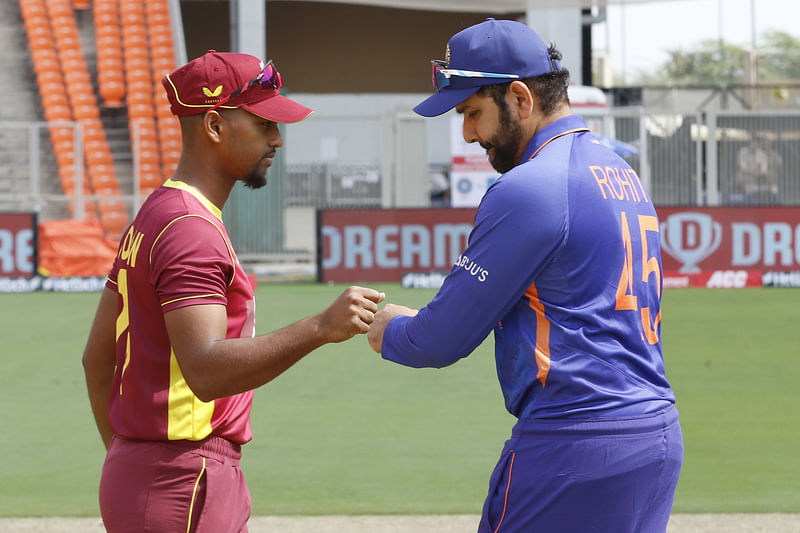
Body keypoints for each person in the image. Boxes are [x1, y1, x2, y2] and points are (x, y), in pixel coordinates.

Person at [368, 19, 683, 533]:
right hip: (654, 436)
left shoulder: (531, 186)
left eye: (473, 111)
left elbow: (439, 340)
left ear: (519, 97)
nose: (469, 133)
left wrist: (391, 330)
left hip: (574, 448)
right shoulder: (618, 171)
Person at [82, 50, 385, 533]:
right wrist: (320, 327)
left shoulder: (158, 212)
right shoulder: (190, 228)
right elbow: (203, 369)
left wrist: (129, 459)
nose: (277, 139)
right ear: (215, 125)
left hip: (154, 474)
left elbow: (96, 361)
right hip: (184, 477)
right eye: (264, 123)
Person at [735, 136, 782, 205]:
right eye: (753, 142)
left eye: (757, 143)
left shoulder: (762, 154)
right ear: (750, 143)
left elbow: (764, 171)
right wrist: (756, 171)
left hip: (758, 182)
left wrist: (751, 171)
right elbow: (743, 168)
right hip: (745, 181)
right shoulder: (743, 152)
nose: (755, 144)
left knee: (771, 193)